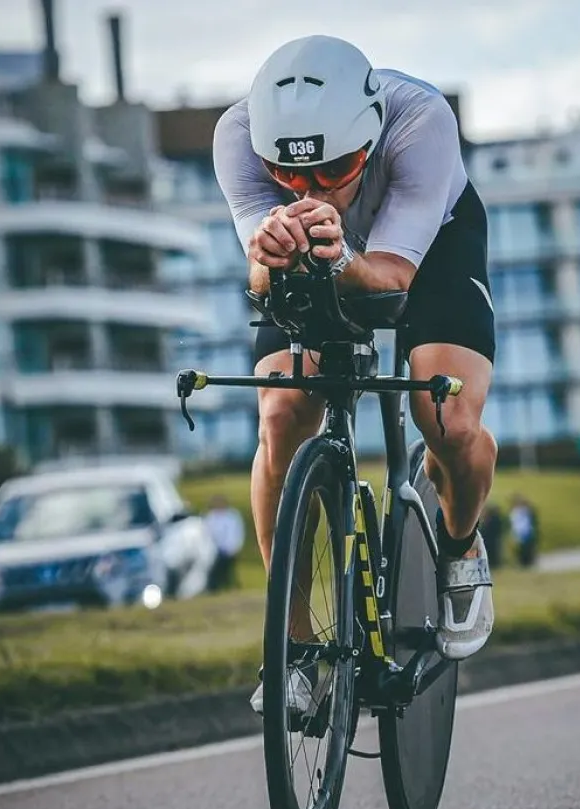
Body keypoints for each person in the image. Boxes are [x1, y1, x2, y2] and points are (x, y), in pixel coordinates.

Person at [212, 34, 497, 716]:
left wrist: (340, 257)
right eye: (286, 175)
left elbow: (391, 279)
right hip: (310, 262)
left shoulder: (421, 121)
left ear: (369, 137)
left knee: (448, 419)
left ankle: (459, 546)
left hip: (428, 253)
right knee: (281, 413)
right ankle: (297, 648)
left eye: (335, 168)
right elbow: (259, 275)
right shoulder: (236, 134)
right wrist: (272, 252)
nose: (310, 190)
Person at [204, 494, 245, 592]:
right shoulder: (210, 517)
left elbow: (237, 533)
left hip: (229, 549)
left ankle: (230, 587)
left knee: (228, 572)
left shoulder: (232, 516)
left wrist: (235, 547)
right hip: (214, 550)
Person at [509, 496, 539, 568]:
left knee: (527, 548)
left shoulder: (525, 511)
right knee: (520, 549)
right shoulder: (514, 512)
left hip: (526, 531)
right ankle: (522, 562)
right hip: (518, 532)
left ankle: (529, 562)